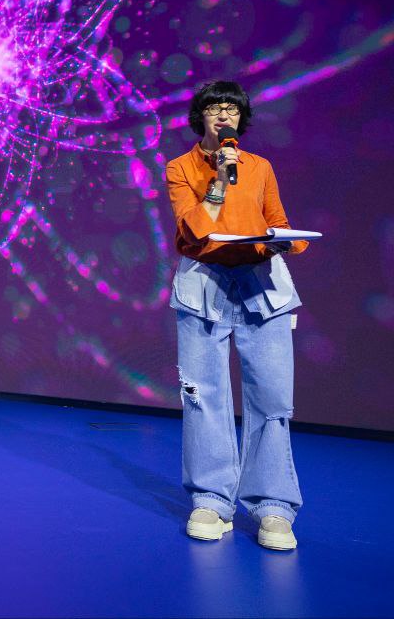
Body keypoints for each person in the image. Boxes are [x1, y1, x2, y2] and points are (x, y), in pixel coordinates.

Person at [164, 81, 308, 551]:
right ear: (201, 117)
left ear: (241, 119)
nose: (224, 115)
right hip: (204, 284)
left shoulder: (260, 167)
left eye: (231, 108)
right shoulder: (180, 168)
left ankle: (273, 505)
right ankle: (211, 500)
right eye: (215, 108)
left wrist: (285, 241)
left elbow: (278, 221)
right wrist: (219, 184)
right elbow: (192, 231)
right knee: (202, 396)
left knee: (271, 396)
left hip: (260, 283)